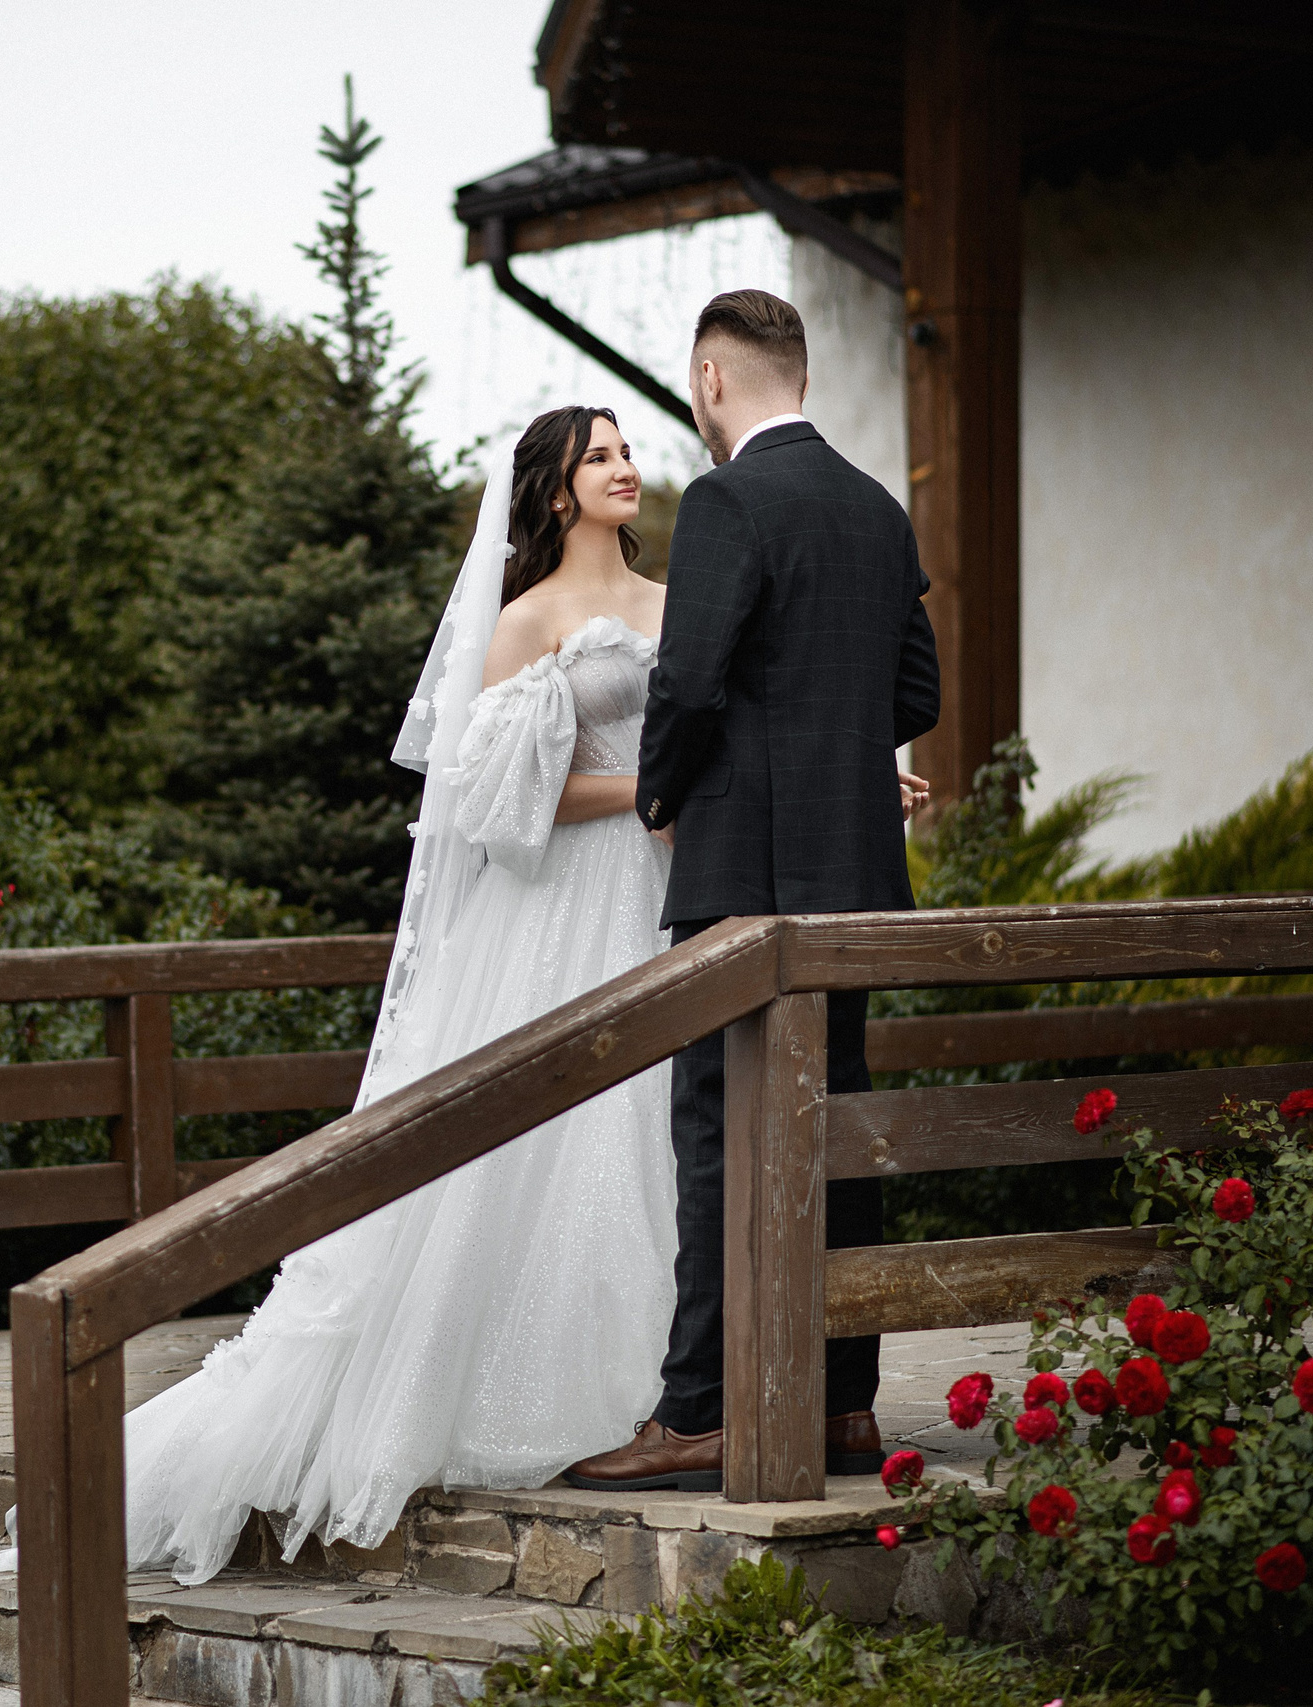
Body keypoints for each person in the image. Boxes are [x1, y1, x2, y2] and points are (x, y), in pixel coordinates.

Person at [119, 406, 680, 1584]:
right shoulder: (524, 621)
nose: (624, 468)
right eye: (598, 457)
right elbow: (496, 798)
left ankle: (657, 1394)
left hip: (659, 897)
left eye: (627, 451)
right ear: (555, 490)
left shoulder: (675, 601)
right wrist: (644, 792)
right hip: (564, 909)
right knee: (560, 1132)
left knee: (649, 1132)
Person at [564, 288, 941, 1494]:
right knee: (838, 1123)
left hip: (742, 877)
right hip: (855, 884)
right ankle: (843, 1405)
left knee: (717, 1136)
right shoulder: (877, 509)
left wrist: (661, 796)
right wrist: (833, 748)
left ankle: (699, 1413)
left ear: (711, 381)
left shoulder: (728, 500)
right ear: (804, 378)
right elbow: (917, 695)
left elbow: (686, 683)